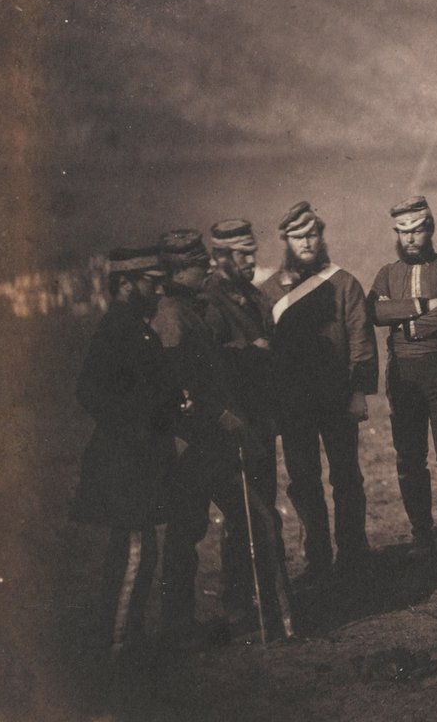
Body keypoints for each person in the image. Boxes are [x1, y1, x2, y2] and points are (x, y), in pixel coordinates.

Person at [153, 230, 287, 647]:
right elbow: (178, 384)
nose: (207, 269)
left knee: (199, 529)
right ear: (180, 271)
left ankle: (211, 619)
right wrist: (224, 417)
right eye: (199, 265)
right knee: (200, 530)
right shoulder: (172, 316)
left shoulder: (189, 308)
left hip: (208, 443)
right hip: (196, 447)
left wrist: (244, 354)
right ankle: (182, 626)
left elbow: (210, 364)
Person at [70, 247, 179, 654]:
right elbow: (89, 390)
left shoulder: (134, 327)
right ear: (126, 284)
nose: (159, 290)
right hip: (126, 461)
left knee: (140, 549)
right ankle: (118, 647)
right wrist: (136, 426)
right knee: (135, 552)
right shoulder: (118, 329)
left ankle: (125, 639)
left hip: (138, 457)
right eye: (152, 283)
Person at [262, 202, 378, 584]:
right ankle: (317, 560)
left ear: (321, 236)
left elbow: (361, 339)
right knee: (303, 481)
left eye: (312, 234)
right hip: (294, 405)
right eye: (299, 237)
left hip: (337, 399)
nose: (307, 243)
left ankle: (353, 554)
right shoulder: (269, 291)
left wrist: (359, 392)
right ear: (287, 241)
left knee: (347, 477)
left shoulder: (344, 283)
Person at [367, 196, 437, 564]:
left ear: (430, 229)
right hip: (402, 375)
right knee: (410, 457)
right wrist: (427, 305)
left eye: (416, 230)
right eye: (403, 232)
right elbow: (375, 311)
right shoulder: (386, 273)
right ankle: (422, 537)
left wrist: (411, 326)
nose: (410, 238)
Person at [200, 219, 282, 622]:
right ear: (220, 257)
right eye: (242, 254)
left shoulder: (252, 296)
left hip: (260, 421)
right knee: (244, 514)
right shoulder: (209, 302)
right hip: (233, 423)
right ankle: (238, 601)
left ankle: (261, 595)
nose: (251, 260)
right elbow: (207, 363)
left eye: (253, 252)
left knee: (263, 506)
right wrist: (251, 351)